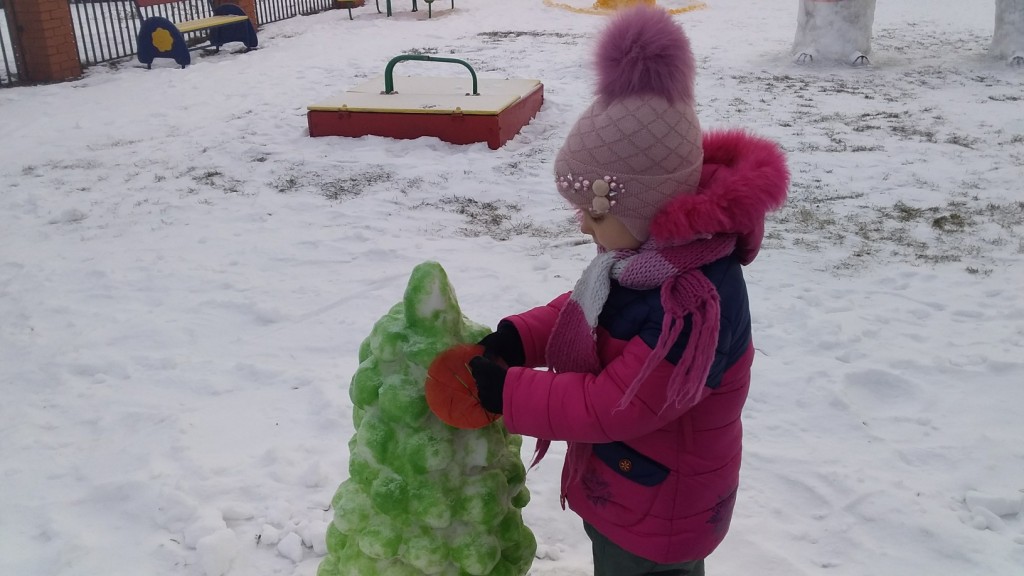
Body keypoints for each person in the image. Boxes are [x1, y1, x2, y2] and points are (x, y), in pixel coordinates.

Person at [466, 6, 789, 576]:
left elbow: (616, 403)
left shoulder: (693, 302)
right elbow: (592, 311)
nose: (583, 227)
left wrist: (509, 394)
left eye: (593, 213)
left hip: (660, 510)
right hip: (630, 486)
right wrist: (521, 338)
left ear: (647, 207)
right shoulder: (645, 261)